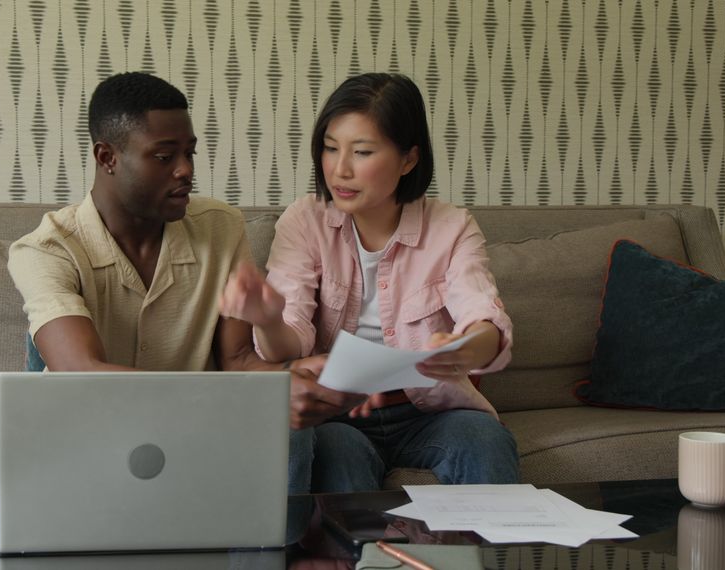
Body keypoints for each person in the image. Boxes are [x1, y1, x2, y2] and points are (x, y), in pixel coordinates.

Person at [0, 72, 360, 510]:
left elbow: (238, 361)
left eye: (189, 153)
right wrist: (246, 396)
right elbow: (80, 373)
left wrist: (299, 378)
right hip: (89, 427)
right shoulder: (45, 250)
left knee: (282, 418)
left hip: (199, 429)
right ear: (107, 157)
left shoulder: (221, 227)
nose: (186, 170)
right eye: (164, 156)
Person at [219, 73, 520, 492]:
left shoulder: (451, 226)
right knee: (339, 458)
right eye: (329, 148)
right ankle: (356, 557)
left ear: (408, 159)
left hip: (430, 411)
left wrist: (462, 349)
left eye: (361, 152)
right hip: (340, 413)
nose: (339, 169)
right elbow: (292, 345)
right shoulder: (304, 221)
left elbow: (484, 317)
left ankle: (498, 554)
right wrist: (268, 321)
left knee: (485, 441)